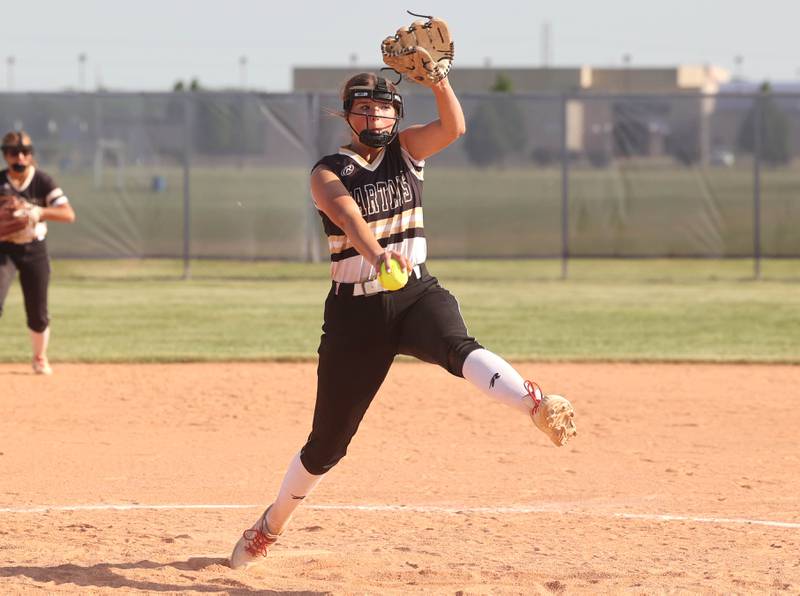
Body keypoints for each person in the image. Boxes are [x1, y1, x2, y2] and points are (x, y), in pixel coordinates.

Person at [229, 73, 576, 569]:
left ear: (398, 115)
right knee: (327, 445)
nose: (376, 119)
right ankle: (270, 526)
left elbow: (454, 127)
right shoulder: (327, 171)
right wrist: (377, 257)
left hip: (415, 294)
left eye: (384, 109)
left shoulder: (407, 151)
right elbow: (349, 219)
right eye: (365, 110)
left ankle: (535, 404)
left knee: (458, 345)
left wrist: (439, 80)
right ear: (346, 114)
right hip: (355, 316)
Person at [0, 131, 76, 375]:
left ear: (31, 156)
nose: (20, 157)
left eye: (25, 152)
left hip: (34, 248)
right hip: (4, 248)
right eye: (14, 152)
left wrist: (37, 211)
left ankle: (39, 357)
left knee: (38, 312)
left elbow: (68, 214)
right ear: (5, 155)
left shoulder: (42, 181)